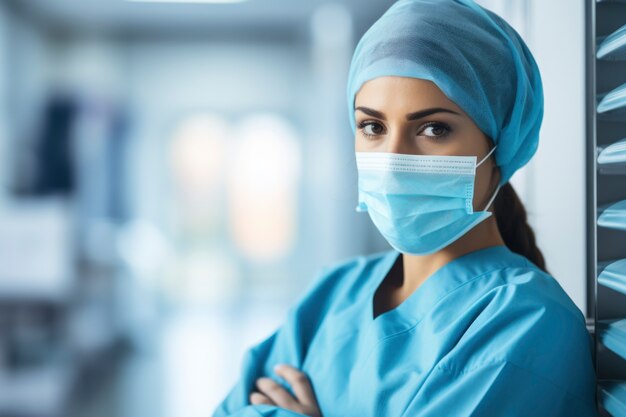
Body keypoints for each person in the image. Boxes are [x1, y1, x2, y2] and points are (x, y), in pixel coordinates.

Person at [212, 0, 598, 415]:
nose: (393, 161)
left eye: (434, 129)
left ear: (502, 144)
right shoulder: (334, 293)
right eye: (373, 127)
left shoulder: (528, 324)